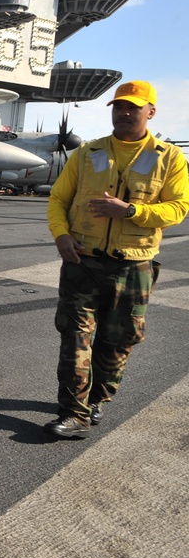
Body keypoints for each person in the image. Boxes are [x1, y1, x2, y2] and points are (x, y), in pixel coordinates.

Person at [44, 80, 188, 439]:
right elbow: (58, 199)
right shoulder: (87, 153)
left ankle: (97, 399)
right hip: (83, 262)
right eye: (119, 107)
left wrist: (131, 210)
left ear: (150, 112)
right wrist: (61, 235)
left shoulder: (170, 158)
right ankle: (73, 413)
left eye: (133, 107)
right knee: (75, 338)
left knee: (118, 340)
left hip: (134, 265)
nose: (124, 113)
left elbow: (179, 207)